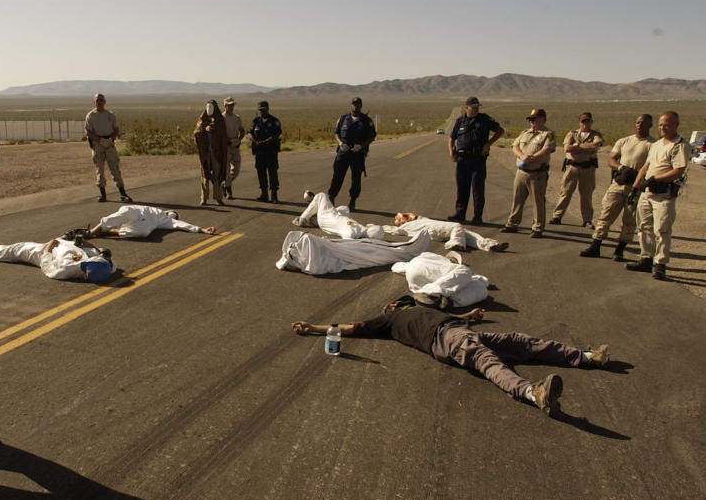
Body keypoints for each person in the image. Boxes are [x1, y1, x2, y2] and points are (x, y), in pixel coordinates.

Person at [292, 297, 610, 416]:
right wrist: (315, 328)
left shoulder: (417, 310)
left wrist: (470, 315)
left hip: (459, 329)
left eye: (393, 305)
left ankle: (585, 357)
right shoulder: (389, 323)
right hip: (447, 340)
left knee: (520, 341)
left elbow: (451, 317)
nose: (390, 308)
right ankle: (531, 392)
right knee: (488, 361)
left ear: (398, 305)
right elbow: (353, 327)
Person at [625, 111, 690, 280]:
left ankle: (660, 264)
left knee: (661, 229)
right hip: (647, 192)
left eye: (666, 125)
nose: (663, 128)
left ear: (676, 125)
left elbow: (678, 170)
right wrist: (635, 188)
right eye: (661, 124)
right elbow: (646, 167)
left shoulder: (679, 145)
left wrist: (655, 179)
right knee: (644, 226)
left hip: (664, 194)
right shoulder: (656, 144)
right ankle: (646, 259)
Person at [580, 114, 654, 261]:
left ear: (650, 125)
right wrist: (621, 167)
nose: (640, 125)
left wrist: (638, 175)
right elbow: (611, 159)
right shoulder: (624, 141)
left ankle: (619, 250)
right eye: (638, 122)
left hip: (636, 188)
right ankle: (595, 245)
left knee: (629, 220)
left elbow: (652, 166)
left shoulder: (652, 145)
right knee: (606, 214)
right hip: (618, 184)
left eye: (644, 123)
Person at [276, 229, 431, 275]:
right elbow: (316, 265)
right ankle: (409, 249)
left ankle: (408, 248)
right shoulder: (308, 258)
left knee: (369, 246)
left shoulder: (298, 250)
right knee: (372, 251)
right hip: (340, 252)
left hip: (337, 247)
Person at [448, 97, 504, 225]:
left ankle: (477, 216)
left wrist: (489, 143)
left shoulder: (484, 119)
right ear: (466, 107)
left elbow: (500, 131)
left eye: (477, 107)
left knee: (478, 189)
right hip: (462, 159)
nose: (475, 109)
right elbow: (452, 138)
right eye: (473, 107)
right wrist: (451, 152)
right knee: (462, 188)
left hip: (478, 159)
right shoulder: (460, 121)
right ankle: (460, 214)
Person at [501, 108, 556, 238]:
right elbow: (515, 146)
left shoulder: (548, 134)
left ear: (543, 119)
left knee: (537, 201)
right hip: (521, 171)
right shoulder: (525, 133)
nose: (532, 122)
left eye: (534, 119)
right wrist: (522, 156)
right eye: (530, 119)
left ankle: (537, 227)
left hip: (537, 173)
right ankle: (512, 224)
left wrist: (531, 158)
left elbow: (547, 150)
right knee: (517, 199)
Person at [549, 112, 604, 227]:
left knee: (586, 195)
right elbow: (567, 148)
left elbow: (595, 145)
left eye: (588, 121)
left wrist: (577, 146)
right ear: (580, 122)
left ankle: (587, 220)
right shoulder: (572, 133)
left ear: (591, 122)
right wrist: (585, 148)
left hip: (588, 168)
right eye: (583, 121)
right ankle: (557, 216)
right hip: (572, 167)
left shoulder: (595, 135)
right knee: (565, 192)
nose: (585, 123)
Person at [0, 236, 114, 282]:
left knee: (16, 249)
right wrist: (85, 243)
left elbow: (46, 265)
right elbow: (103, 254)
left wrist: (49, 247)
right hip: (71, 245)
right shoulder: (108, 268)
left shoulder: (65, 270)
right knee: (95, 251)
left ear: (86, 273)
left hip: (48, 251)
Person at [392, 251, 489, 309]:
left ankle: (433, 296)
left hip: (413, 274)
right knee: (466, 271)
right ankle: (433, 296)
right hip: (420, 281)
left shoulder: (429, 257)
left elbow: (396, 267)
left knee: (478, 288)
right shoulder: (445, 263)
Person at [329, 97, 377, 211]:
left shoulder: (366, 120)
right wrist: (340, 143)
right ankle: (331, 198)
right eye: (354, 104)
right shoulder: (343, 118)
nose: (355, 106)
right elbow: (336, 132)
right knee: (337, 176)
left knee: (356, 178)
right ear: (351, 105)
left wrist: (361, 146)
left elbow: (372, 136)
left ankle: (352, 201)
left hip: (357, 153)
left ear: (361, 106)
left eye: (358, 104)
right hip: (343, 151)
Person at [84, 93, 132, 203]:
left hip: (109, 144)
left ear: (104, 102)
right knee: (99, 170)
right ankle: (103, 194)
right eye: (97, 100)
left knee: (115, 168)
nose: (99, 102)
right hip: (97, 144)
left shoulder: (110, 115)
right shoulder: (90, 116)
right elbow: (88, 131)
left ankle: (123, 193)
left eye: (101, 100)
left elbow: (116, 129)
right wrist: (99, 140)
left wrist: (110, 140)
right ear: (94, 102)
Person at [69, 204, 216, 239]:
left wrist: (201, 229)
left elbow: (182, 225)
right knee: (123, 215)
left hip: (143, 223)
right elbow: (182, 225)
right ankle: (93, 232)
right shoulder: (164, 217)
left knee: (142, 231)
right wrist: (201, 229)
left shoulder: (166, 220)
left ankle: (100, 231)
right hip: (137, 213)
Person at [386, 212, 508, 252]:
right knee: (456, 226)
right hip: (436, 230)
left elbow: (413, 214)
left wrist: (408, 216)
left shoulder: (417, 220)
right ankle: (455, 243)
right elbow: (391, 229)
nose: (405, 218)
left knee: (466, 234)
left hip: (440, 231)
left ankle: (490, 245)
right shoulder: (406, 226)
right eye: (402, 218)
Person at [292, 190, 384, 239]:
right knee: (344, 208)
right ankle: (314, 216)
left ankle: (303, 219)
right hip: (333, 218)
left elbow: (346, 243)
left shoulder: (352, 233)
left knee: (321, 195)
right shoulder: (360, 230)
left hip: (327, 217)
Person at [193, 99, 228, 206]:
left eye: (211, 107)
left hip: (216, 153)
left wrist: (215, 129)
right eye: (208, 107)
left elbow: (223, 136)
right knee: (205, 175)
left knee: (217, 175)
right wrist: (204, 129)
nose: (209, 109)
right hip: (205, 153)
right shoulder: (202, 119)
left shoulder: (220, 120)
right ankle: (204, 198)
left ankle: (218, 197)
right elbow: (196, 133)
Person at [249, 100, 282, 203]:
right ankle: (264, 194)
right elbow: (250, 132)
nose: (262, 112)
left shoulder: (274, 121)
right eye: (260, 110)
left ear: (268, 109)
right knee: (261, 172)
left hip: (271, 151)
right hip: (259, 152)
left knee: (272, 172)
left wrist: (262, 142)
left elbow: (276, 136)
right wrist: (253, 140)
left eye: (264, 110)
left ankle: (274, 195)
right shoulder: (256, 121)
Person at [221, 97, 244, 199]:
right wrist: (227, 141)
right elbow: (219, 133)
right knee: (226, 169)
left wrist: (238, 140)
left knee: (236, 169)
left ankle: (224, 184)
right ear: (225, 106)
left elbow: (242, 131)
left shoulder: (237, 118)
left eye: (232, 105)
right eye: (229, 105)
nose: (231, 107)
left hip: (235, 145)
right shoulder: (221, 118)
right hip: (225, 146)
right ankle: (229, 190)